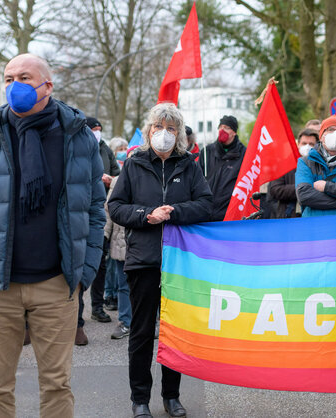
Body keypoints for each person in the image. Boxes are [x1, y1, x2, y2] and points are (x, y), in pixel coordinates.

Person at [0, 53, 105, 417]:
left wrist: (85, 273)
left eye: (23, 77)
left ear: (47, 86)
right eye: (8, 78)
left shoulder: (79, 138)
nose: (13, 85)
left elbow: (95, 209)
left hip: (56, 285)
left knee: (56, 384)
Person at [108, 103, 213, 418]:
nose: (164, 134)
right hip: (144, 260)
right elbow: (116, 207)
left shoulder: (189, 165)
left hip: (179, 263)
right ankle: (140, 399)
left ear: (178, 133)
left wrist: (175, 212)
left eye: (170, 128)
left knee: (174, 333)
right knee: (141, 333)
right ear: (148, 130)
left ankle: (172, 396)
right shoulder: (134, 164)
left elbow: (206, 204)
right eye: (158, 127)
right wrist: (146, 216)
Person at [76, 116, 116, 343]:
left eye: (99, 130)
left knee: (99, 263)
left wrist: (109, 179)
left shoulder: (105, 150)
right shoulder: (76, 147)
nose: (97, 133)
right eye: (94, 129)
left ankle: (98, 306)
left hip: (101, 212)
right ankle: (76, 318)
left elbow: (117, 173)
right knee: (78, 266)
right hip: (79, 212)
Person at [199, 115, 245, 221]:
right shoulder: (207, 152)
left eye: (226, 128)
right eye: (220, 127)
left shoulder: (244, 154)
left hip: (229, 215)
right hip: (206, 213)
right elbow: (196, 179)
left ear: (234, 132)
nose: (222, 130)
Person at [268, 129, 318, 218]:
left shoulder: (320, 166)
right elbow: (275, 189)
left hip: (313, 215)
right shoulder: (285, 164)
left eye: (311, 144)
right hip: (289, 217)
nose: (307, 146)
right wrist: (302, 188)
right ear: (298, 144)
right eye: (304, 143)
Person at [105, 173, 130, 339]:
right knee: (122, 285)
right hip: (120, 241)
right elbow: (108, 211)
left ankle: (152, 322)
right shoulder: (117, 181)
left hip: (145, 242)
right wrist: (104, 236)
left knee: (151, 284)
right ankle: (125, 321)